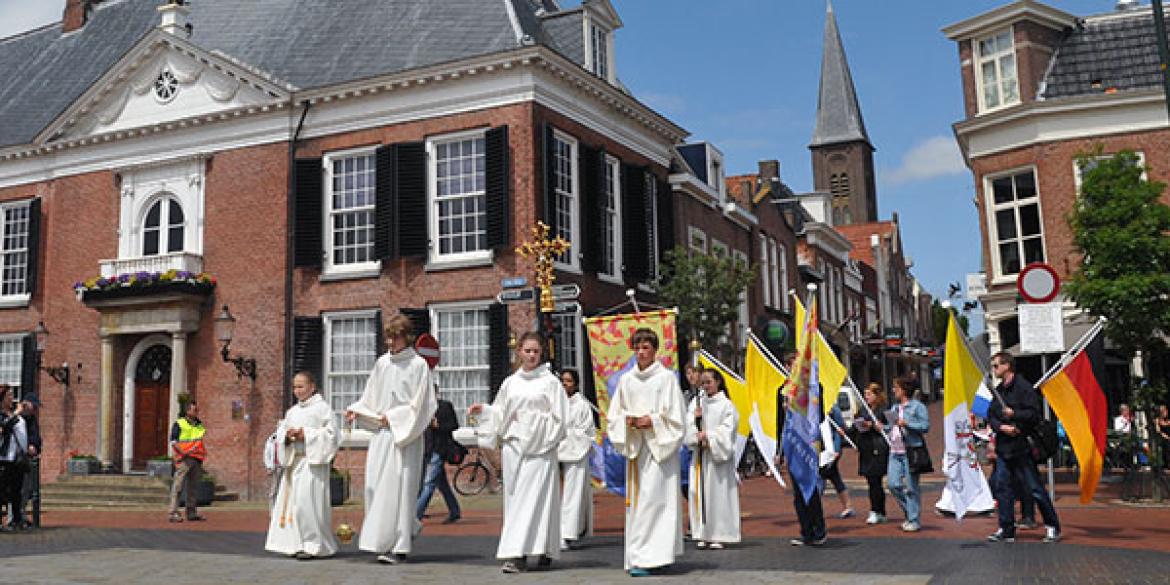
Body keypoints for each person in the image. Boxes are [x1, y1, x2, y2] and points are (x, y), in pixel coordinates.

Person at [468, 332, 568, 574]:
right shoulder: (510, 383)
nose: (532, 355)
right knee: (515, 501)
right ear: (519, 351)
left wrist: (531, 423)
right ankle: (536, 547)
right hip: (514, 447)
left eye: (535, 351)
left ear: (541, 352)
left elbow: (561, 419)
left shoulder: (551, 383)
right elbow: (501, 412)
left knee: (536, 499)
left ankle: (519, 554)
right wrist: (484, 411)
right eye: (527, 350)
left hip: (540, 449)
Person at [346, 314, 437, 565]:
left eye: (394, 337)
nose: (389, 342)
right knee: (376, 488)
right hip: (382, 437)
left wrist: (394, 418)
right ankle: (386, 538)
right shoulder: (382, 364)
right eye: (387, 336)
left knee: (402, 490)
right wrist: (359, 411)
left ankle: (400, 546)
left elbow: (424, 406)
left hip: (405, 438)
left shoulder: (419, 366)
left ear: (406, 337)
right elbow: (370, 397)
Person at [605, 328, 686, 577]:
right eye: (637, 348)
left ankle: (656, 555)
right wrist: (627, 422)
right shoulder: (627, 380)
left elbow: (677, 417)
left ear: (655, 350)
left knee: (658, 503)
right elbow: (614, 415)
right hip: (638, 449)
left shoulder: (666, 379)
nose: (641, 353)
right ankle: (642, 556)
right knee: (641, 504)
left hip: (659, 449)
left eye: (646, 348)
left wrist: (652, 421)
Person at [986, 351, 1061, 544]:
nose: (994, 370)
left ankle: (1052, 526)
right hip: (1004, 448)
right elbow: (991, 415)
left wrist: (1015, 414)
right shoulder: (999, 391)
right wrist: (1001, 426)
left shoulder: (1024, 388)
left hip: (1021, 447)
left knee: (1034, 488)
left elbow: (1033, 415)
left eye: (996, 366)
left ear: (1007, 366)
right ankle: (1006, 528)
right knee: (1003, 488)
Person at [265, 372, 340, 559]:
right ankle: (295, 544)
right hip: (294, 462)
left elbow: (333, 435)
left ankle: (314, 544)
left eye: (301, 386)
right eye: (295, 387)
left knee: (308, 504)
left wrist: (306, 434)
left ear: (312, 386)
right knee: (292, 505)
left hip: (311, 462)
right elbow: (279, 434)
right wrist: (286, 438)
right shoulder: (292, 412)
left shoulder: (323, 409)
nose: (297, 391)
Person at [684, 368, 740, 550]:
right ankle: (702, 532)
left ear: (718, 382)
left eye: (709, 382)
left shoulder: (726, 405)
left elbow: (728, 430)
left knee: (717, 495)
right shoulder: (697, 403)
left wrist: (709, 437)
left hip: (717, 460)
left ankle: (719, 533)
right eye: (703, 383)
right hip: (701, 457)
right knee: (697, 492)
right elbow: (688, 425)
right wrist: (695, 429)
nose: (706, 386)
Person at [557, 368, 594, 551]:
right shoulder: (557, 403)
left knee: (573, 493)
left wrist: (567, 435)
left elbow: (587, 431)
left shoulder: (582, 405)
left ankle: (567, 533)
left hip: (575, 451)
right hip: (556, 449)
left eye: (568, 382)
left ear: (576, 384)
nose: (565, 385)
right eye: (562, 381)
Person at [885, 376, 929, 532]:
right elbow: (890, 426)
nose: (893, 390)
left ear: (903, 390)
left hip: (910, 450)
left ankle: (914, 519)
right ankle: (910, 511)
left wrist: (908, 424)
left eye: (896, 388)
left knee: (911, 487)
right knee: (893, 484)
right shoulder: (895, 408)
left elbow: (925, 426)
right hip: (894, 450)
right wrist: (881, 427)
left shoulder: (917, 407)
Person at [415, 384, 461, 525]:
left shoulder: (444, 406)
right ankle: (454, 511)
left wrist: (438, 426)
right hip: (426, 450)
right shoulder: (422, 410)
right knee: (442, 485)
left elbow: (454, 425)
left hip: (439, 450)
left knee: (428, 484)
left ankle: (415, 516)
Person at [853, 383, 889, 525]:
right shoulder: (863, 409)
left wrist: (874, 426)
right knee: (872, 481)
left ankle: (876, 510)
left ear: (876, 395)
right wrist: (847, 430)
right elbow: (855, 425)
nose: (866, 397)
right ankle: (879, 511)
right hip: (866, 449)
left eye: (869, 394)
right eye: (865, 394)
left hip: (877, 449)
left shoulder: (882, 409)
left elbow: (888, 427)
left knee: (875, 481)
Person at [167, 400, 207, 523]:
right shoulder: (179, 424)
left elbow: (199, 441)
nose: (196, 412)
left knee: (193, 487)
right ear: (187, 411)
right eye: (194, 410)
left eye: (197, 410)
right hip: (184, 459)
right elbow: (173, 441)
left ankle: (191, 512)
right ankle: (173, 512)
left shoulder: (199, 425)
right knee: (178, 486)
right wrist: (182, 453)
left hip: (197, 459)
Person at [0, 385, 28, 533]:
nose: (11, 398)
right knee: (1, 490)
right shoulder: (4, 416)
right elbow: (5, 428)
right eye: (9, 395)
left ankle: (16, 520)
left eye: (12, 395)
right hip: (3, 458)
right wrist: (16, 415)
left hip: (15, 459)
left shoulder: (14, 415)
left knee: (16, 491)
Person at [820, 404, 855, 519]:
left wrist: (835, 449)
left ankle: (815, 508)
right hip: (819, 448)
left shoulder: (833, 408)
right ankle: (848, 506)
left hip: (830, 450)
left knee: (820, 477)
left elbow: (838, 430)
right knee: (834, 476)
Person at [15, 394, 40, 530]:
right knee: (20, 488)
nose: (35, 409)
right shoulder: (20, 418)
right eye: (33, 406)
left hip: (28, 459)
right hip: (20, 459)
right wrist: (28, 446)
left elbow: (35, 436)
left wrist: (35, 445)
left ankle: (21, 514)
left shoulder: (31, 419)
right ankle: (17, 516)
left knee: (28, 489)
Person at [1156, 405, 1170, 470]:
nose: (1166, 412)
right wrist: (1166, 436)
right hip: (1163, 438)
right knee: (1166, 446)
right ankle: (1166, 464)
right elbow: (1158, 431)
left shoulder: (1168, 420)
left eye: (1166, 411)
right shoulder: (1158, 420)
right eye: (1164, 411)